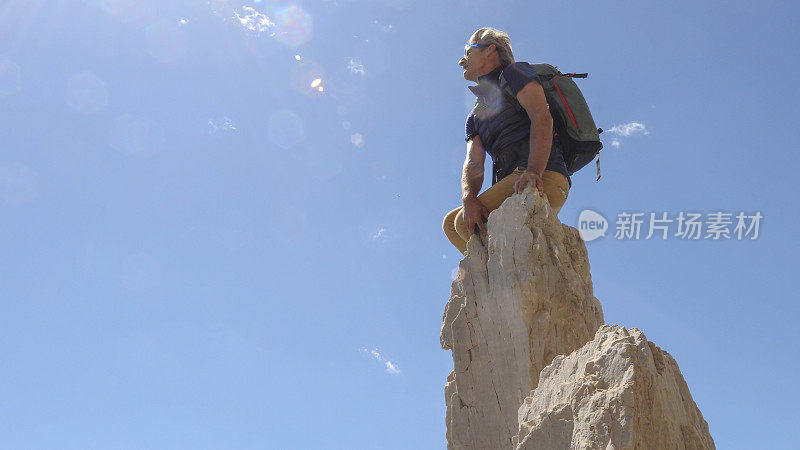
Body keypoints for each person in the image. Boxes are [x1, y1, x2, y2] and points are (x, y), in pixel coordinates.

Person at [442, 27, 572, 255]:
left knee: (463, 223)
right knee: (452, 224)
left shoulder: (515, 73)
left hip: (543, 176)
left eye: (468, 50)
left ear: (490, 49)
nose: (461, 61)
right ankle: (500, 274)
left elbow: (541, 117)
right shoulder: (475, 115)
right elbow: (473, 163)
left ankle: (513, 272)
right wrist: (469, 197)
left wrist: (534, 171)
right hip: (514, 182)